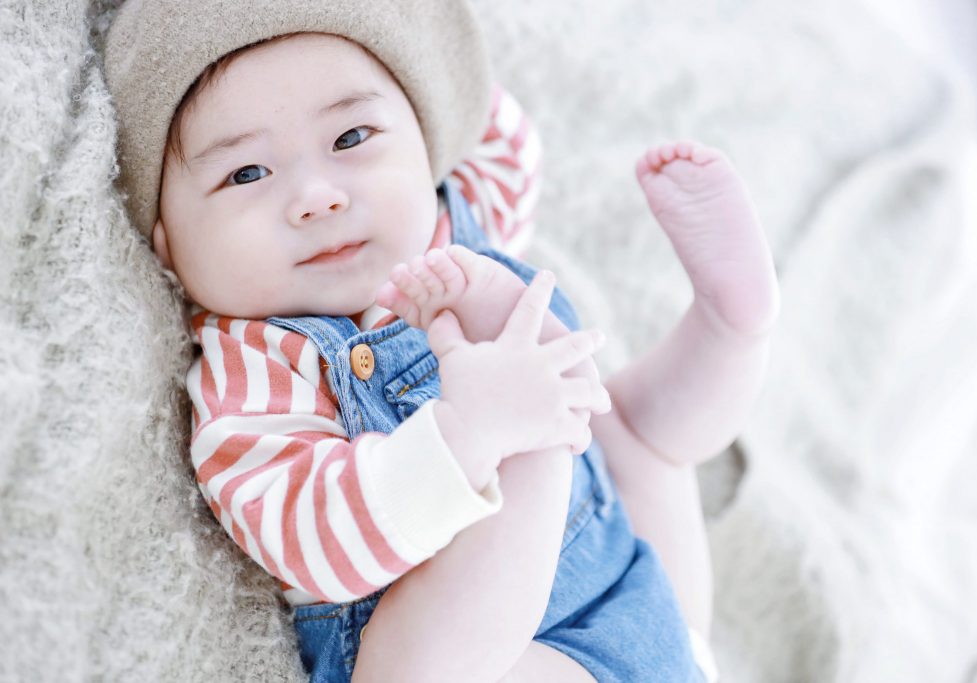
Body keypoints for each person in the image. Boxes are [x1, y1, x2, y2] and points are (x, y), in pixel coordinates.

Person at [103, 1, 778, 680]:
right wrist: (469, 438)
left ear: (426, 147)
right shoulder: (254, 366)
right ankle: (549, 440)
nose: (317, 196)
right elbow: (311, 536)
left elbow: (487, 122)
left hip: (641, 599)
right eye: (246, 173)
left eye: (351, 137)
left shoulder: (447, 224)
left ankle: (728, 325)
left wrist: (423, 58)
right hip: (519, 659)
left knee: (638, 432)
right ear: (167, 245)